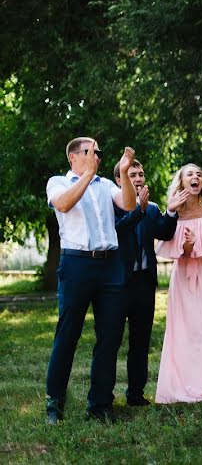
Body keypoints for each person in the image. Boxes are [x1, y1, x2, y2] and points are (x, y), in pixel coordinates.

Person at [45, 138, 136, 423]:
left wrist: (123, 172)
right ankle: (54, 404)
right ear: (74, 156)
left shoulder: (106, 184)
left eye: (98, 151)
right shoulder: (58, 182)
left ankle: (100, 405)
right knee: (67, 334)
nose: (97, 155)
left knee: (109, 338)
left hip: (110, 266)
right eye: (91, 151)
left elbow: (130, 205)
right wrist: (86, 175)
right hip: (76, 264)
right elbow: (63, 204)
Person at [155, 164, 202, 403]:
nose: (195, 176)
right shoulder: (174, 213)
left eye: (199, 173)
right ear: (181, 182)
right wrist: (188, 244)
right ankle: (183, 382)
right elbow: (180, 253)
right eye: (190, 174)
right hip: (185, 275)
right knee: (185, 329)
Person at [112, 159, 183, 407]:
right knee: (111, 341)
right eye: (132, 175)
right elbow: (118, 231)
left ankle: (135, 395)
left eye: (141, 174)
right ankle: (104, 397)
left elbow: (164, 232)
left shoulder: (152, 208)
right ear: (119, 181)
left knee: (140, 342)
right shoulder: (111, 206)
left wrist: (171, 211)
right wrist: (137, 210)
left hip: (144, 282)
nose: (139, 178)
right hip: (118, 283)